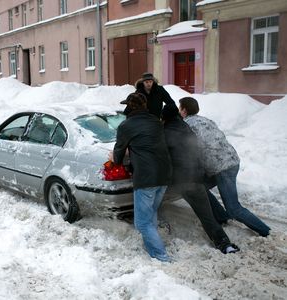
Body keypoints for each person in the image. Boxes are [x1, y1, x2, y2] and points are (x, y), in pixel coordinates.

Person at [179, 97, 271, 237]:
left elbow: (190, 148)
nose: (179, 111)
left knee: (234, 208)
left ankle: (265, 231)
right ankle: (221, 217)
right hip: (231, 161)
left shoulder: (187, 125)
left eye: (180, 108)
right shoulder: (205, 120)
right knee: (200, 187)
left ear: (184, 110)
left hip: (223, 168)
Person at [161, 104, 239, 254]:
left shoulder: (165, 133)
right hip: (196, 177)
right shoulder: (187, 129)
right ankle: (225, 244)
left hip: (181, 180)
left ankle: (162, 230)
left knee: (153, 201)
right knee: (206, 214)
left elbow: (162, 158)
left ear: (164, 118)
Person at [110, 92, 172, 262]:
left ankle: (162, 256)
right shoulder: (156, 121)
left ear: (129, 107)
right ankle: (152, 250)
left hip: (146, 177)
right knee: (150, 213)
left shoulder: (126, 126)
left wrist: (115, 158)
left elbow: (118, 156)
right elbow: (150, 144)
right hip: (165, 174)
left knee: (142, 223)